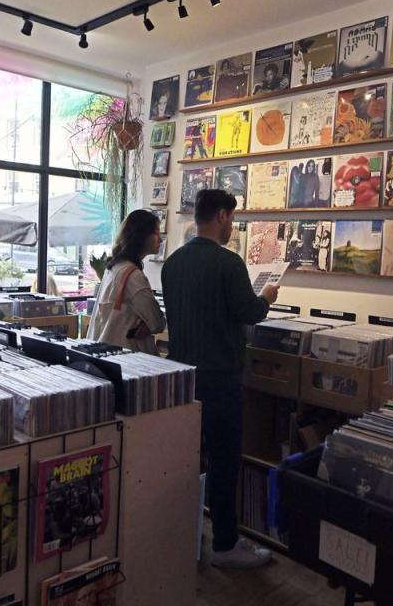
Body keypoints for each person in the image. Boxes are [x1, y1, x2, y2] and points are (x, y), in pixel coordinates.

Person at [161, 189, 279, 568]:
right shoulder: (229, 263)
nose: (233, 227)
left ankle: (186, 534)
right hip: (221, 377)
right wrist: (268, 297)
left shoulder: (172, 263)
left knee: (186, 460)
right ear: (224, 216)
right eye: (233, 219)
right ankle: (226, 545)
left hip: (181, 375)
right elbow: (249, 312)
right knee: (225, 460)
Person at [87, 210, 165, 353]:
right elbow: (156, 322)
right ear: (141, 235)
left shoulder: (114, 267)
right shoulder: (133, 276)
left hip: (103, 352)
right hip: (126, 357)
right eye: (156, 233)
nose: (160, 239)